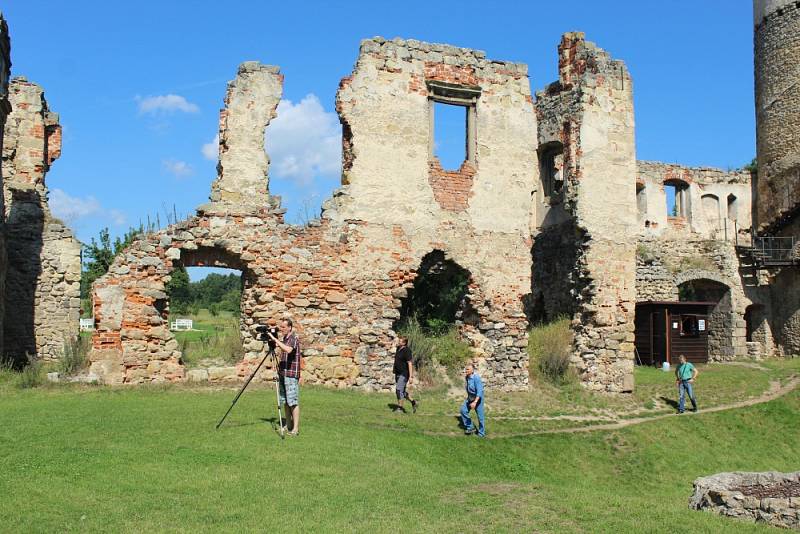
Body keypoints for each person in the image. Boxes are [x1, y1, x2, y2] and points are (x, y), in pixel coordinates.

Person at [268, 318, 302, 435]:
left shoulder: (293, 338)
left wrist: (274, 339)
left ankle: (295, 429)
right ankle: (288, 425)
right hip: (283, 373)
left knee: (293, 401)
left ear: (290, 328)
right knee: (286, 401)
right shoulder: (285, 339)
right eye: (281, 327)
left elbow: (288, 350)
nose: (281, 329)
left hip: (291, 375)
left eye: (283, 327)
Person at [392, 336, 418, 413]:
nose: (398, 342)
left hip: (404, 374)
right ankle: (413, 402)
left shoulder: (407, 350)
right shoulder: (398, 349)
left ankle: (400, 408)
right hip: (397, 373)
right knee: (402, 391)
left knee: (398, 390)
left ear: (404, 343)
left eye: (400, 341)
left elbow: (410, 363)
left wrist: (410, 376)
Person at [460, 363, 485, 437]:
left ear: (472, 370)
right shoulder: (467, 377)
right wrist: (469, 398)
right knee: (463, 410)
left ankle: (481, 433)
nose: (466, 371)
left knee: (480, 417)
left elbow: (480, 391)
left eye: (467, 369)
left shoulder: (476, 378)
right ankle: (470, 427)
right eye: (465, 369)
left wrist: (475, 402)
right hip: (470, 397)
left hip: (478, 398)